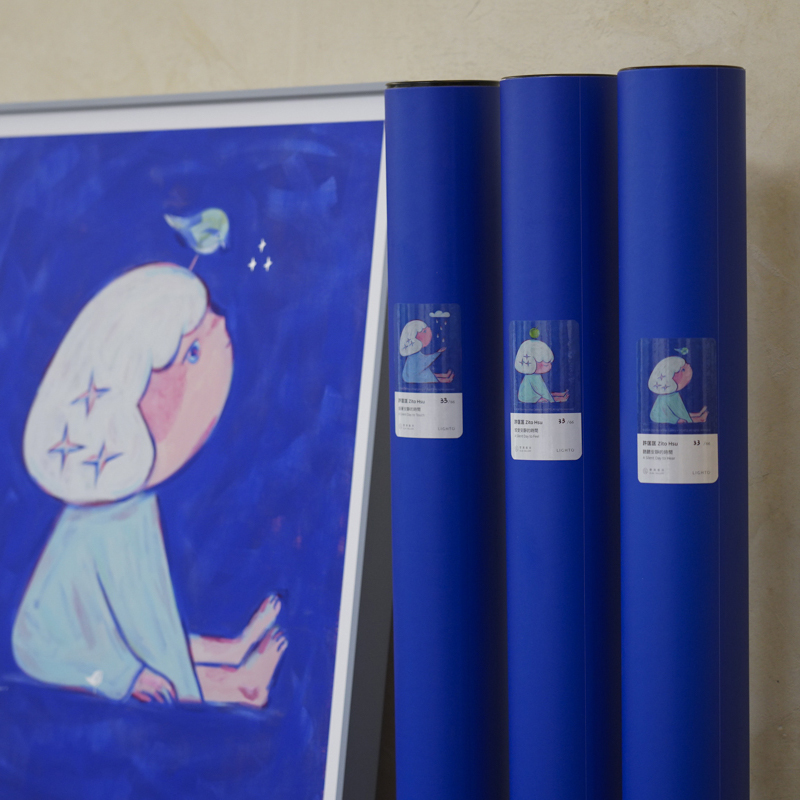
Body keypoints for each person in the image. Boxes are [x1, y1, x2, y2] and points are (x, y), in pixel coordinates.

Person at [13, 263, 287, 707]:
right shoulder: (105, 522)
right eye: (191, 353)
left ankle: (231, 652)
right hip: (70, 654)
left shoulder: (131, 507)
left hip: (114, 641)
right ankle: (238, 688)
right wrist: (130, 677)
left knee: (155, 643)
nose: (220, 329)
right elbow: (52, 635)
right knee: (151, 667)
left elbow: (152, 631)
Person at [647, 355, 708, 424]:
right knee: (684, 420)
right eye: (683, 370)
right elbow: (661, 414)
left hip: (674, 417)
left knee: (684, 417)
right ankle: (700, 419)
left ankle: (699, 415)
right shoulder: (666, 398)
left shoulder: (674, 395)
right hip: (669, 420)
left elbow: (681, 413)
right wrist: (676, 420)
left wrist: (697, 414)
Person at [514, 337, 569, 404]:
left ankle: (561, 395)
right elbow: (543, 392)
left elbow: (544, 391)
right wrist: (553, 400)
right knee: (545, 399)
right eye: (544, 362)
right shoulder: (534, 377)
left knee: (547, 395)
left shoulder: (534, 376)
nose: (549, 365)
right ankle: (561, 397)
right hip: (528, 398)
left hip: (533, 395)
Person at [399, 319, 453, 384]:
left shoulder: (415, 353)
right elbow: (425, 361)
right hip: (411, 376)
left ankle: (445, 375)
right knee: (429, 376)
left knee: (428, 373)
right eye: (424, 331)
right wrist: (438, 353)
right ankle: (447, 379)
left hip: (414, 374)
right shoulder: (414, 355)